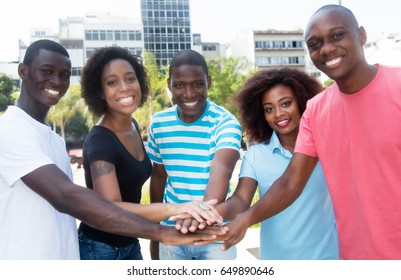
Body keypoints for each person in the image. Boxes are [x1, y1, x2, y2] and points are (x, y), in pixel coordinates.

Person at [0, 39, 226, 260]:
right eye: (47, 71)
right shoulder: (11, 130)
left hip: (114, 246)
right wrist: (169, 219)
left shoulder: (54, 138)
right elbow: (68, 196)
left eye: (130, 78)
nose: (57, 81)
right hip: (96, 250)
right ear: (23, 71)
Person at [216, 5, 401, 260]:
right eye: (314, 44)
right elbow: (291, 182)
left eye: (337, 35)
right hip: (351, 259)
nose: (325, 49)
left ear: (361, 35)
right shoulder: (316, 111)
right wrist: (245, 219)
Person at [78, 46, 222, 260]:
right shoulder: (100, 142)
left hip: (130, 240)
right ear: (99, 91)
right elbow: (111, 208)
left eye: (130, 78)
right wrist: (174, 209)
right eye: (112, 82)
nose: (125, 88)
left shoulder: (133, 126)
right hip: (101, 248)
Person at [214, 68, 339, 259]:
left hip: (325, 259)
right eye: (269, 109)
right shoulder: (256, 155)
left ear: (302, 102)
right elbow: (240, 200)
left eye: (286, 104)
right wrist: (212, 212)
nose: (278, 114)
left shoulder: (325, 147)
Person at [147, 49, 242, 260]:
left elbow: (220, 172)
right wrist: (156, 233)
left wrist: (197, 218)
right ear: (169, 85)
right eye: (179, 85)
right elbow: (159, 177)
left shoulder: (225, 123)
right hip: (171, 233)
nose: (189, 94)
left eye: (197, 84)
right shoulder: (159, 124)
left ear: (209, 82)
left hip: (213, 236)